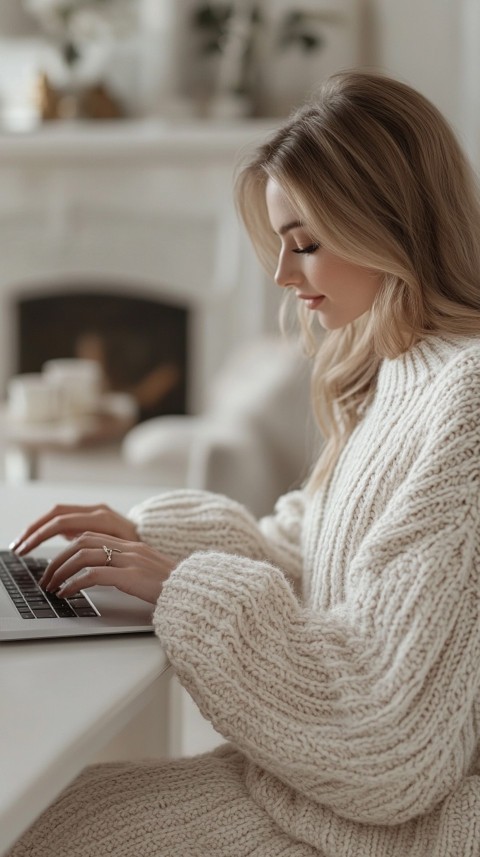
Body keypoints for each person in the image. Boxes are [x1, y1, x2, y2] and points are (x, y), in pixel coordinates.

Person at [7, 69, 480, 857]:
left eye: (306, 244)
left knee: (34, 826)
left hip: (379, 828)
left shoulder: (466, 401)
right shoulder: (400, 366)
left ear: (390, 226)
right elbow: (312, 554)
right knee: (41, 809)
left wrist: (179, 587)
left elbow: (393, 748)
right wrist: (149, 544)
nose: (282, 276)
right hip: (308, 795)